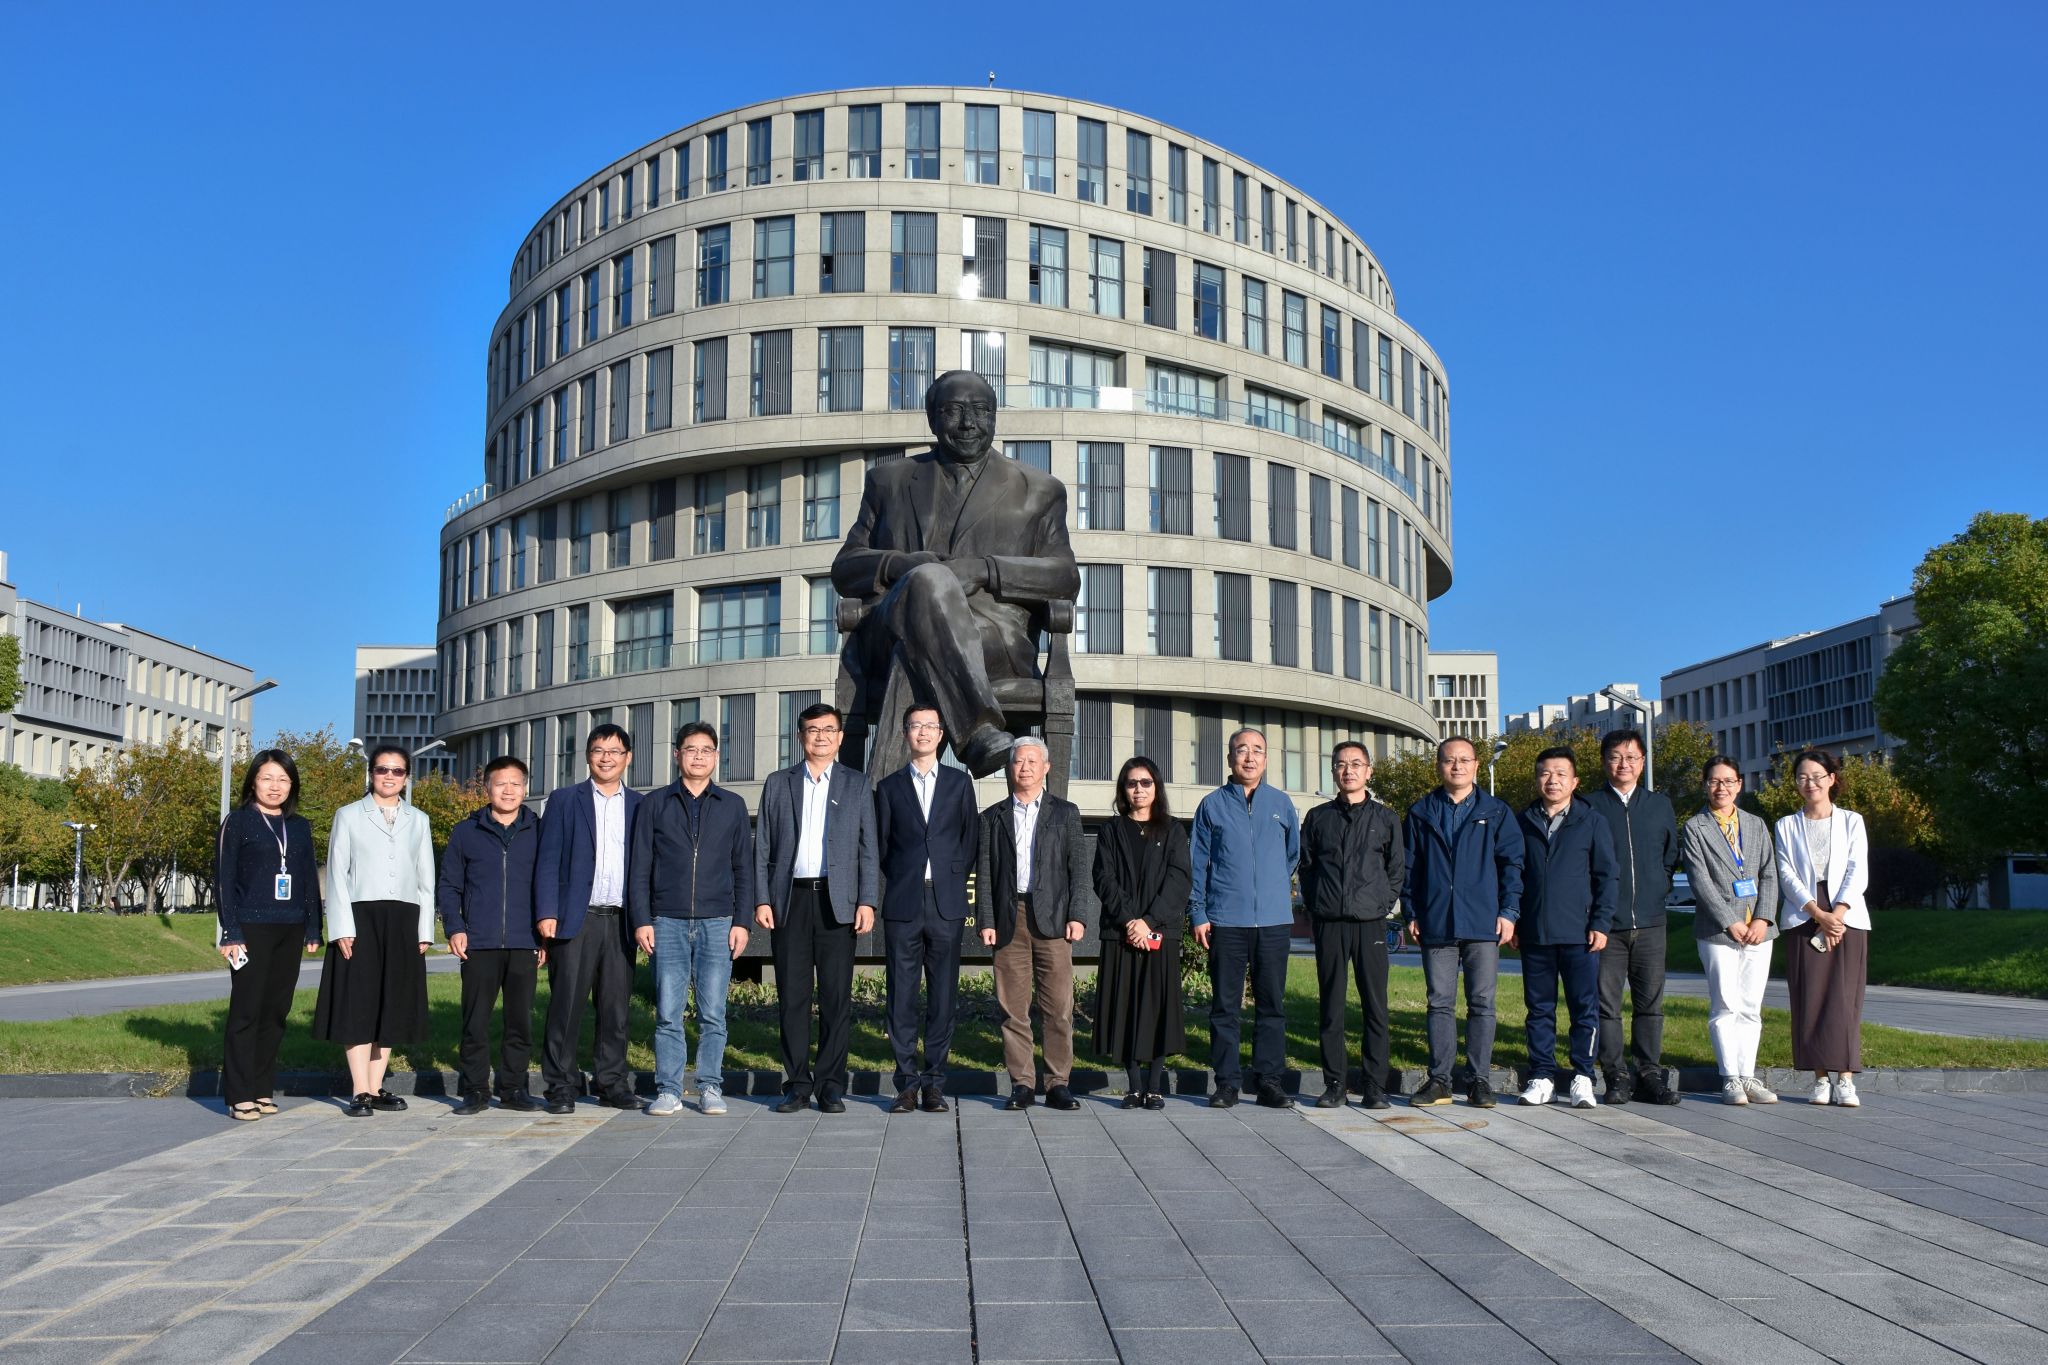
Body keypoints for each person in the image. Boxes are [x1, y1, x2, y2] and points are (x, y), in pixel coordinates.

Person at [831, 370, 1081, 776]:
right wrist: (899, 564)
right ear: (932, 417)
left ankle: (875, 806)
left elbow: (1065, 576)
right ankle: (977, 730)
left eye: (981, 411)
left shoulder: (1039, 488)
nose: (968, 423)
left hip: (990, 638)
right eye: (954, 411)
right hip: (889, 625)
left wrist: (984, 570)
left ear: (994, 417)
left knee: (911, 652)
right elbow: (845, 568)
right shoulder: (888, 481)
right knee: (927, 581)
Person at [753, 703, 880, 1114]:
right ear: (800, 736)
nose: (820, 736)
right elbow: (763, 846)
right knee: (792, 996)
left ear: (840, 737)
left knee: (835, 997)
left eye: (828, 730)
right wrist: (762, 898)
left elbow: (869, 848)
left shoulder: (856, 784)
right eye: (812, 729)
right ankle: (796, 1084)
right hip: (789, 901)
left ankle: (830, 1085)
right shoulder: (779, 783)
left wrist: (867, 900)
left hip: (836, 903)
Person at [629, 721, 754, 1116]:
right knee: (668, 1013)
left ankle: (710, 1086)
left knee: (713, 1013)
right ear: (677, 754)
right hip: (666, 920)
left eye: (706, 750)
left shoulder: (732, 805)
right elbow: (640, 867)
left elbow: (744, 868)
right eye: (690, 749)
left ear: (716, 756)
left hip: (718, 921)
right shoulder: (655, 804)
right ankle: (668, 1089)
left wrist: (742, 921)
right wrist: (642, 919)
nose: (698, 756)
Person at [1402, 736, 1524, 1108]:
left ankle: (1478, 1081)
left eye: (1464, 760)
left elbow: (1512, 866)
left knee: (1482, 1002)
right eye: (1449, 760)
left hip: (1483, 922)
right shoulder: (1421, 812)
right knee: (1439, 1002)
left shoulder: (1496, 812)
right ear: (1439, 765)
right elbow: (1409, 868)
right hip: (1436, 919)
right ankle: (1439, 1080)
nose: (1457, 766)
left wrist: (1509, 912)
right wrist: (1411, 912)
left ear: (1475, 765)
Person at [314, 744, 435, 1118]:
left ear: (406, 777)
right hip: (360, 918)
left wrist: (424, 929)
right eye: (382, 769)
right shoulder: (348, 815)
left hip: (404, 919)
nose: (389, 776)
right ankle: (360, 1090)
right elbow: (337, 874)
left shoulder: (419, 819)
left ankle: (377, 1085)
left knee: (391, 1002)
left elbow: (426, 878)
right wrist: (341, 927)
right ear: (371, 773)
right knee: (359, 1002)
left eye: (397, 771)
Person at [873, 704, 979, 1113]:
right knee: (900, 996)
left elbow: (969, 840)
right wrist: (907, 875)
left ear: (941, 735)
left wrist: (949, 878)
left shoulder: (959, 783)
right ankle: (906, 1084)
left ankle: (934, 1082)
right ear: (905, 733)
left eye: (930, 726)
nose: (922, 732)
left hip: (946, 902)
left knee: (943, 997)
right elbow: (884, 846)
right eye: (915, 725)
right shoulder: (889, 787)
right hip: (903, 902)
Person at [534, 724, 643, 1114]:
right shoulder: (564, 800)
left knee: (615, 1009)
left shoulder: (640, 806)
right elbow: (547, 860)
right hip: (574, 919)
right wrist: (547, 911)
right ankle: (560, 1086)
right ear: (587, 756)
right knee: (566, 1005)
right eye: (599, 750)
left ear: (628, 758)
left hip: (620, 921)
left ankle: (611, 1082)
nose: (606, 758)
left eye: (615, 751)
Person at [1190, 728, 1301, 1110]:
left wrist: (1270, 888)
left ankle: (1269, 1081)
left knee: (1272, 1005)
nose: (1249, 757)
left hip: (1273, 921)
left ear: (1266, 759)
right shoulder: (1211, 806)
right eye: (1242, 750)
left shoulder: (1281, 804)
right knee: (1225, 1007)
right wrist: (1199, 912)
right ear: (1230, 758)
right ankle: (1227, 1083)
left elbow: (1292, 856)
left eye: (1257, 751)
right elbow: (1197, 863)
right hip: (1226, 921)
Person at [977, 738, 1090, 1111]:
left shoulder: (1065, 813)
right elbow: (986, 872)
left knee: (1058, 1007)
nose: (1024, 767)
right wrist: (987, 919)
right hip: (1009, 918)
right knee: (1013, 1009)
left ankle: (1058, 1084)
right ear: (1009, 768)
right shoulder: (991, 817)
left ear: (1046, 768)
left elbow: (1078, 870)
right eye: (1018, 761)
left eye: (1031, 761)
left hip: (1054, 920)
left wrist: (1077, 914)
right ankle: (1022, 1084)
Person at [214, 748, 323, 1121]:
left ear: (292, 785)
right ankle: (239, 1093)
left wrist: (313, 926)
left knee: (276, 1011)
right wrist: (230, 931)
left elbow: (308, 878)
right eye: (267, 778)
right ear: (253, 782)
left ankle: (261, 1088)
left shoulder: (299, 826)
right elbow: (224, 879)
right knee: (247, 1010)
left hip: (290, 928)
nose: (274, 786)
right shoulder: (238, 821)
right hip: (249, 929)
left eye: (282, 779)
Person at [1299, 741, 1406, 1110]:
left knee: (1375, 1006)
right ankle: (1335, 1084)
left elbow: (1396, 870)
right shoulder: (1318, 817)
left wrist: (1381, 904)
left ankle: (1375, 1086)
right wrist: (1317, 905)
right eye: (1341, 764)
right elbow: (1307, 867)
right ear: (1333, 771)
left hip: (1370, 923)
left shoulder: (1386, 818)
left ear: (1369, 771)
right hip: (1330, 923)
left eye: (1356, 764)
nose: (1349, 771)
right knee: (1331, 1006)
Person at [436, 756, 545, 1115]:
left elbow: (548, 885)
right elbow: (449, 885)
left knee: (520, 1021)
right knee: (475, 1021)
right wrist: (455, 927)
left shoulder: (540, 831)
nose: (508, 790)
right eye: (500, 784)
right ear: (487, 789)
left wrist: (545, 936)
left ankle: (513, 1089)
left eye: (516, 783)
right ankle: (475, 1090)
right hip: (478, 942)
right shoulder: (466, 832)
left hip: (524, 941)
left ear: (525, 788)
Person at [1581, 729, 1682, 1105]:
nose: (1623, 764)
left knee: (1650, 1004)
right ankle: (1615, 1074)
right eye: (1615, 756)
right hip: (1607, 925)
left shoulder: (1659, 805)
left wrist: (1658, 888)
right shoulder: (1588, 805)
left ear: (1642, 762)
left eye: (1631, 757)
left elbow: (1670, 855)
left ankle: (1649, 1072)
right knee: (1606, 1005)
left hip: (1652, 922)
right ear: (1604, 761)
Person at [1514, 748, 1617, 1109]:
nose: (1552, 780)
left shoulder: (1592, 821)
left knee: (1583, 1008)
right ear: (1536, 779)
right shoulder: (1522, 821)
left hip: (1580, 934)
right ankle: (1542, 1076)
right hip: (1535, 933)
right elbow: (1513, 874)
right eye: (1545, 773)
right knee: (1538, 1009)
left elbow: (1607, 876)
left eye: (1560, 774)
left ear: (1575, 781)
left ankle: (1583, 1076)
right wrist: (1514, 920)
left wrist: (1601, 922)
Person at [1680, 756, 1781, 1105]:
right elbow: (1700, 881)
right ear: (1705, 785)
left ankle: (1748, 1075)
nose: (1721, 787)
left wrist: (1763, 918)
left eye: (1728, 781)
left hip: (1758, 931)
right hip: (1718, 931)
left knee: (1751, 1006)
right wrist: (1730, 921)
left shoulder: (1755, 824)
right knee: (1725, 1004)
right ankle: (1730, 1078)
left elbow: (1769, 873)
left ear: (1739, 784)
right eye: (1714, 781)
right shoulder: (1695, 827)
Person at [1774, 748, 1870, 1108]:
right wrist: (1817, 913)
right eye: (1802, 777)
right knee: (1809, 997)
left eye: (1817, 776)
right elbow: (1786, 873)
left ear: (1831, 779)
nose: (1810, 783)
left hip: (1847, 915)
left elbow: (1857, 868)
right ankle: (1818, 1078)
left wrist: (1837, 914)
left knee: (1845, 998)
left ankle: (1845, 1078)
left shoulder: (1852, 821)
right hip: (1804, 914)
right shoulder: (1786, 825)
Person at [1092, 756, 1190, 1110]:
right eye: (1132, 783)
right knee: (1125, 1005)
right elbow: (1103, 878)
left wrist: (1147, 921)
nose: (1139, 789)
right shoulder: (1111, 830)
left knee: (1157, 1007)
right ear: (1123, 789)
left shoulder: (1173, 830)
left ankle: (1155, 1085)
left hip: (1160, 932)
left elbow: (1179, 880)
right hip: (1120, 933)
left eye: (1145, 782)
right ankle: (1134, 1086)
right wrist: (1130, 921)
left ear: (1156, 787)